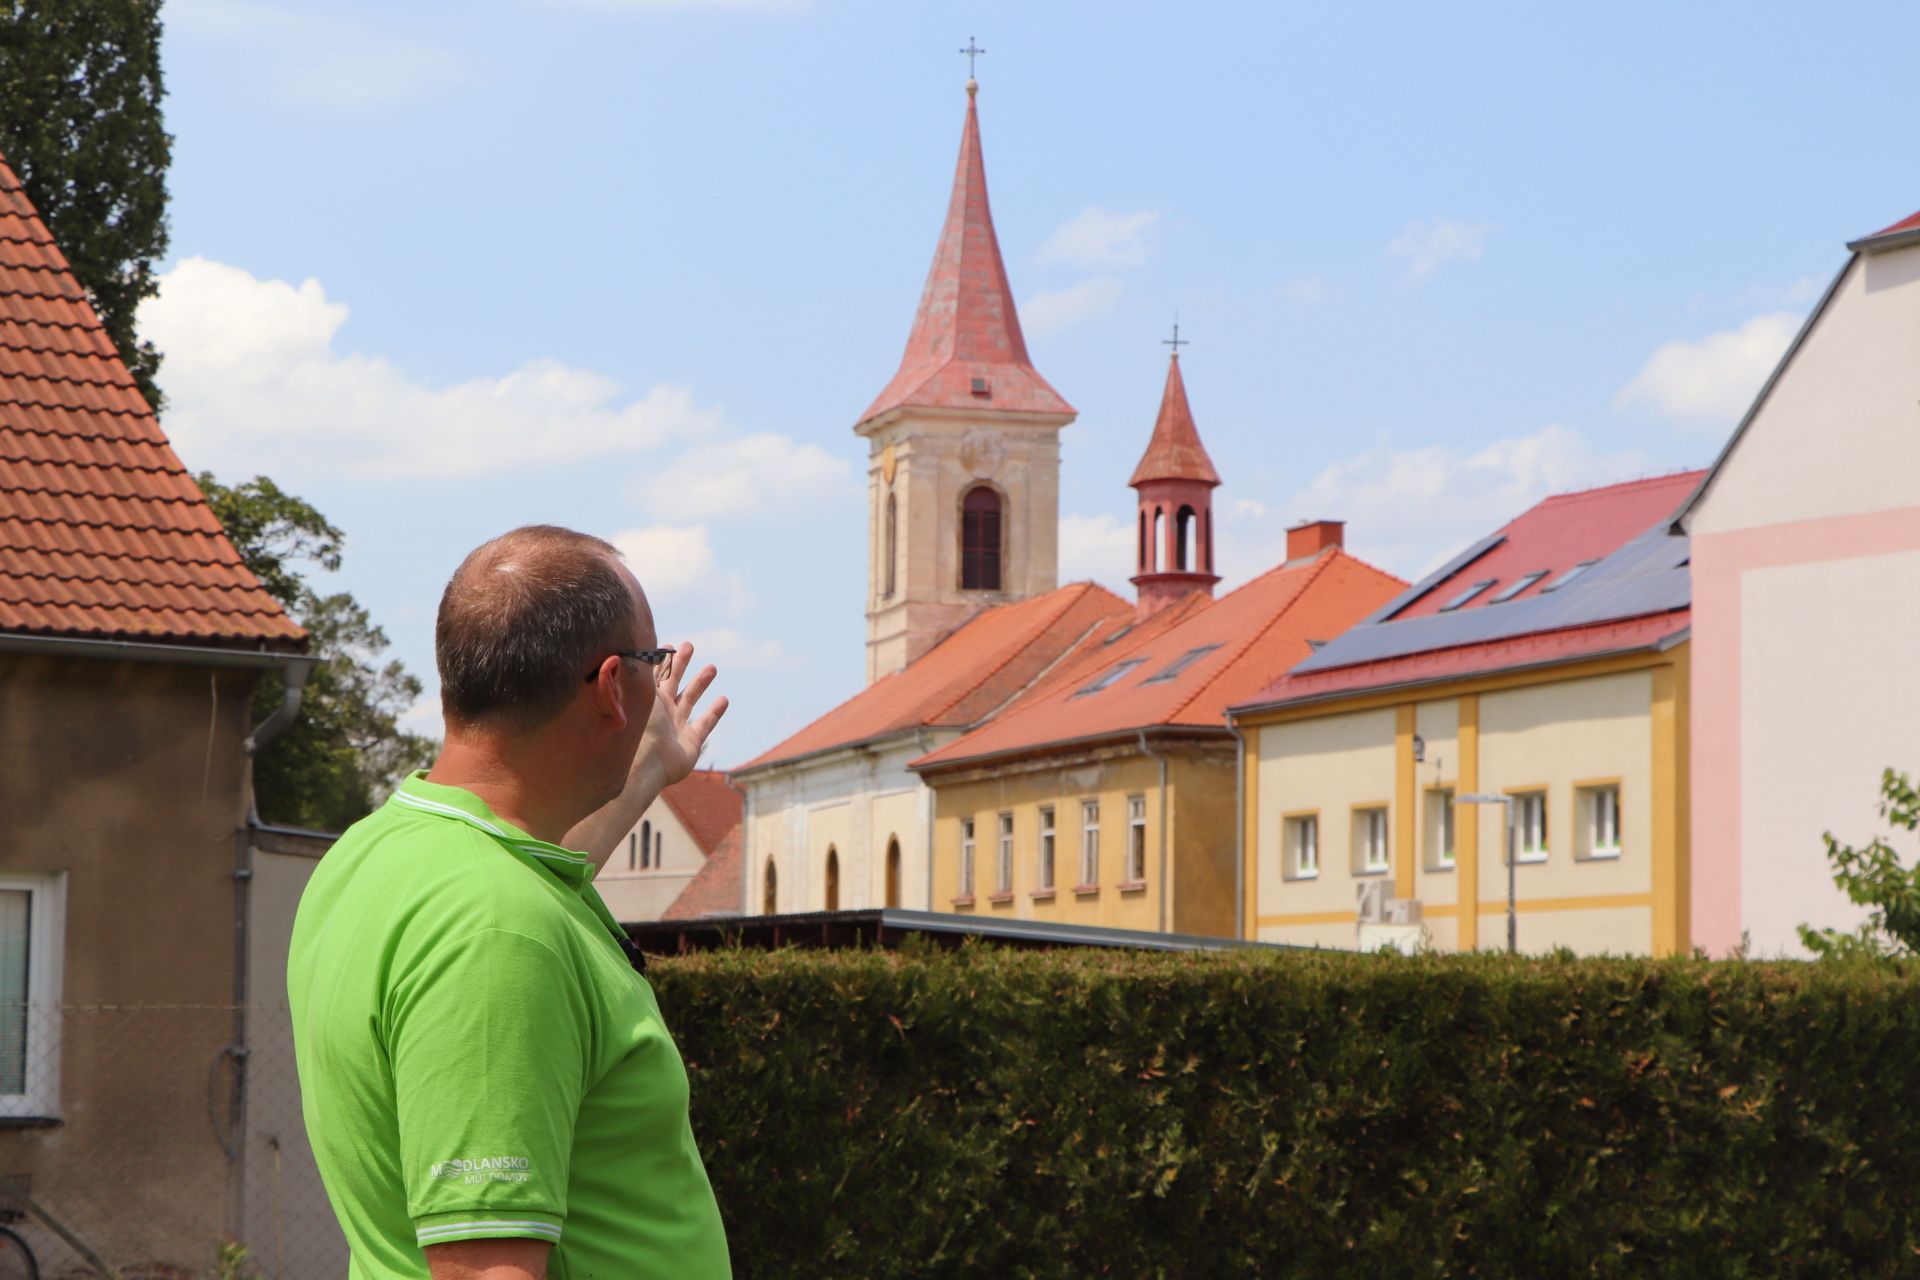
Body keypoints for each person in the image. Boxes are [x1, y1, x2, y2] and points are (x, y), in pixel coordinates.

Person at [288, 525, 732, 1279]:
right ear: (608, 686)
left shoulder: (374, 856)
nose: (659, 685)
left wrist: (648, 764)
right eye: (651, 666)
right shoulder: (497, 932)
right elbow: (485, 1269)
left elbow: (535, 878)